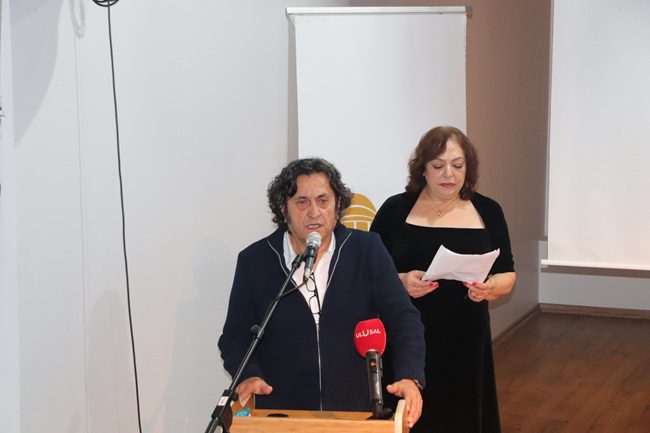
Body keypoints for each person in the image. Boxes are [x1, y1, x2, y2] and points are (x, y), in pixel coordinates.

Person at [218, 158, 425, 427]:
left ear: (337, 205)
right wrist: (249, 375)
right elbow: (235, 337)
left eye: (323, 200)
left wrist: (409, 375)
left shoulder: (366, 250)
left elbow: (403, 318)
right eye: (302, 202)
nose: (314, 212)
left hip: (354, 413)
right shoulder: (255, 261)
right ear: (283, 208)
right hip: (281, 416)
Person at [370, 126, 516, 433]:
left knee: (462, 413)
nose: (448, 174)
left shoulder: (488, 210)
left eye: (457, 165)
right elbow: (369, 272)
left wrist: (491, 287)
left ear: (468, 168)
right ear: (422, 168)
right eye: (438, 165)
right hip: (408, 335)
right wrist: (402, 280)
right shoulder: (395, 210)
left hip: (467, 334)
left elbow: (507, 273)